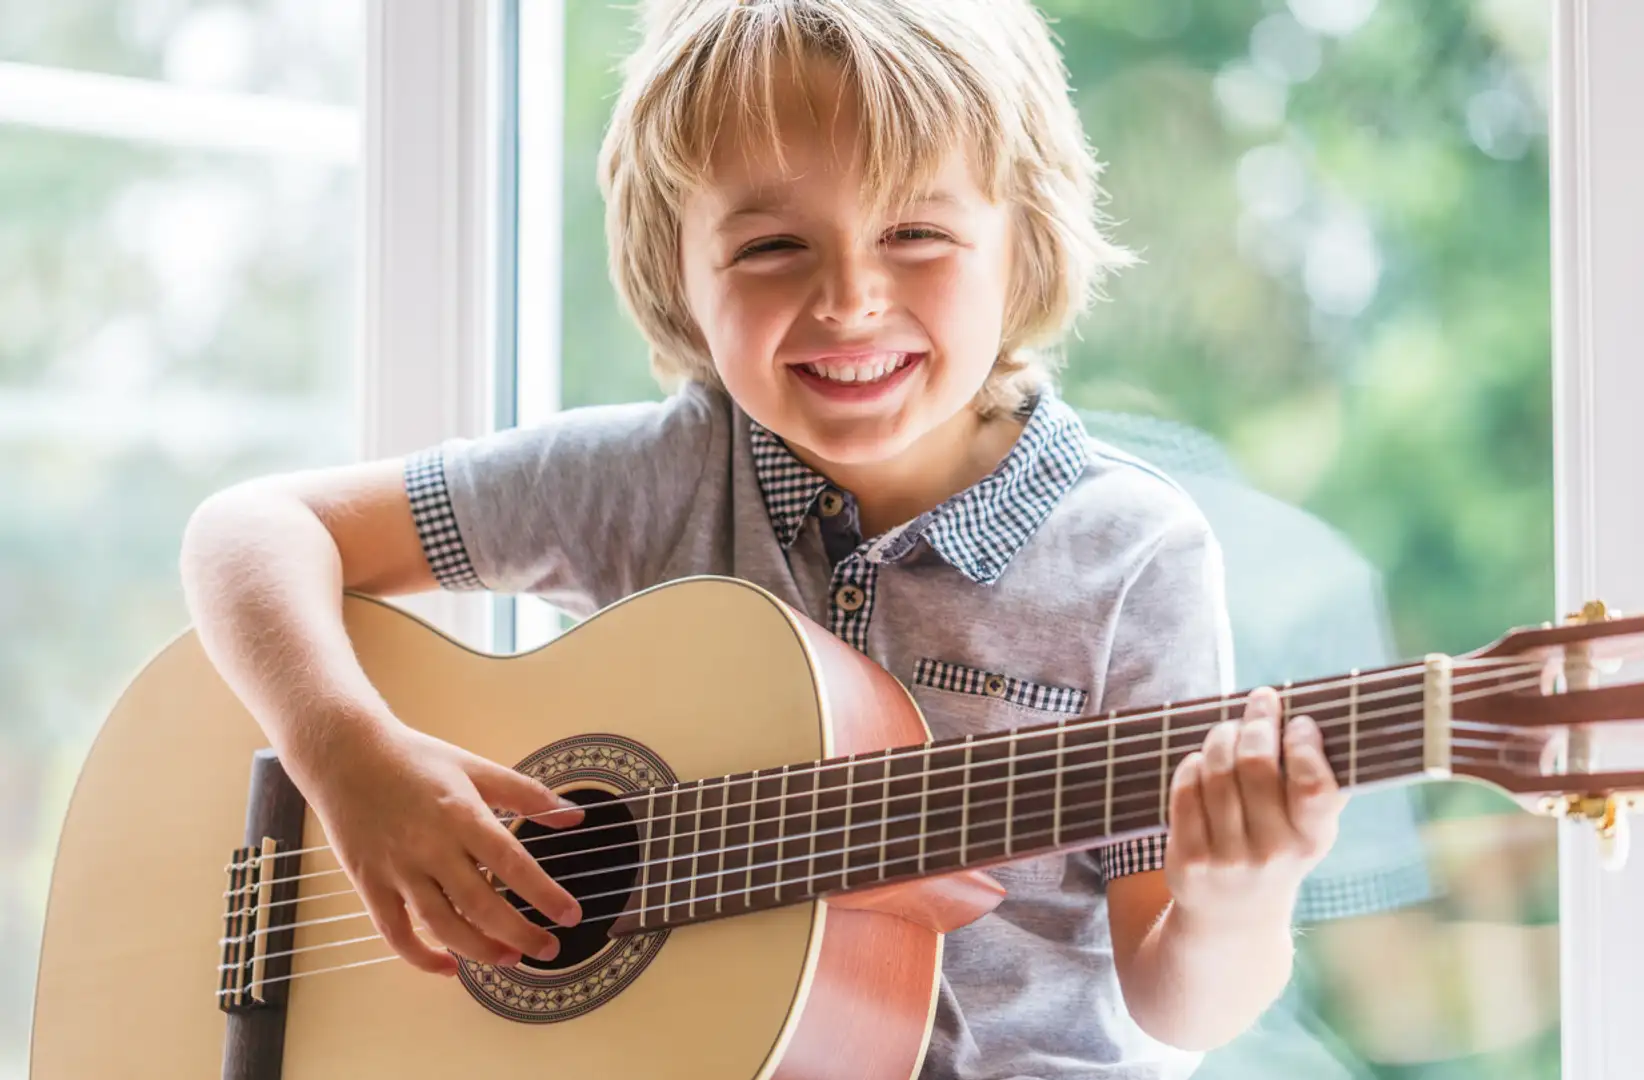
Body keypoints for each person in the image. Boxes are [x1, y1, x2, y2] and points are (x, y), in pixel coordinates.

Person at [178, 1, 1346, 1076]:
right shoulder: (657, 478)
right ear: (678, 276)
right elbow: (253, 531)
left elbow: (1176, 999)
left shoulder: (1131, 557)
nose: (848, 299)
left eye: (918, 234)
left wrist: (1239, 899)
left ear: (1024, 242)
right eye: (772, 249)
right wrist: (350, 760)